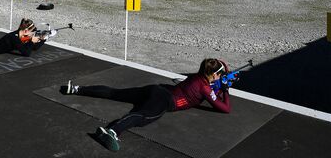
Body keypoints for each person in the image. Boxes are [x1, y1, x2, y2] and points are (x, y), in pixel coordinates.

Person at [59, 58, 231, 152]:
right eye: (220, 74)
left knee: (115, 93)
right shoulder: (206, 89)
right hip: (165, 101)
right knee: (142, 116)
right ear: (213, 74)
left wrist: (221, 79)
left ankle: (75, 89)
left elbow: (212, 77)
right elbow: (225, 109)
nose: (221, 76)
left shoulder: (197, 76)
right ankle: (113, 131)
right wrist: (226, 90)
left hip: (156, 89)